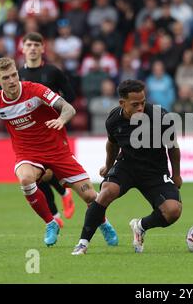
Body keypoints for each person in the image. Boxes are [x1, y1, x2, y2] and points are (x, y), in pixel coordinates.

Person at [0, 57, 118, 248]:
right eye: (6, 78)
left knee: (90, 196)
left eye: (14, 75)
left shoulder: (36, 90)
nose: (12, 80)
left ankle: (103, 223)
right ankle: (51, 223)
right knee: (25, 179)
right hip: (28, 154)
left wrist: (62, 120)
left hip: (57, 151)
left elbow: (68, 108)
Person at [71, 79, 182, 255]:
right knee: (107, 191)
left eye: (143, 103)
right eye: (135, 104)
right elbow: (112, 144)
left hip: (155, 171)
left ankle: (140, 226)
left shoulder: (161, 117)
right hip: (127, 166)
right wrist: (108, 166)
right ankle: (82, 243)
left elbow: (173, 147)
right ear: (122, 103)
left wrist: (177, 174)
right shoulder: (114, 120)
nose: (140, 108)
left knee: (173, 211)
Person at [19, 32, 76, 227]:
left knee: (49, 172)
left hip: (52, 128)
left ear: (43, 48)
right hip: (29, 132)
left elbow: (70, 96)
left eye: (37, 45)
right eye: (29, 45)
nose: (33, 48)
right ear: (23, 48)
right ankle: (55, 214)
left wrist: (58, 113)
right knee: (37, 176)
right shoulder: (17, 75)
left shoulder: (53, 72)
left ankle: (65, 193)